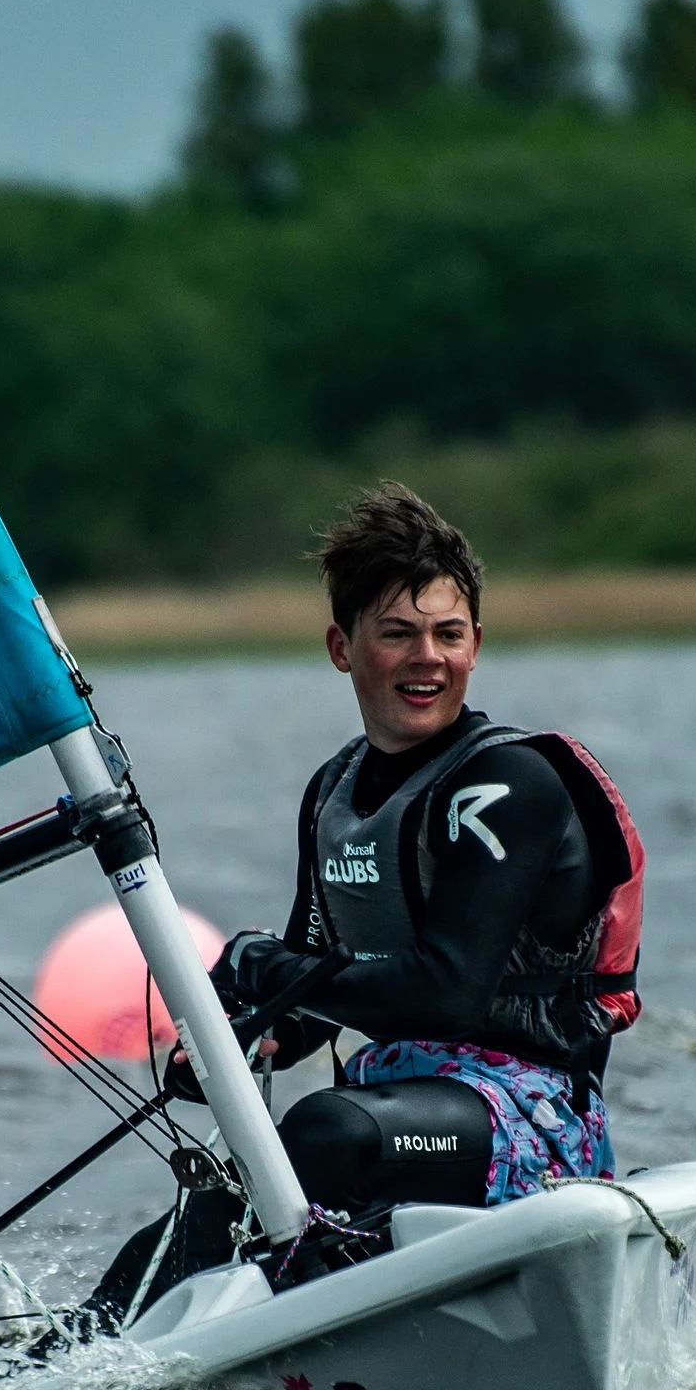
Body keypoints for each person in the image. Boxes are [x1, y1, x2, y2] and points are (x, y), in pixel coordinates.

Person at [209, 482, 646, 1226]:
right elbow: (315, 991)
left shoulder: (508, 784)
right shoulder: (333, 792)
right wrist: (245, 1034)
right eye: (398, 634)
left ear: (476, 643)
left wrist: (259, 964)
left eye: (449, 634)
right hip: (395, 1107)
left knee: (326, 1133)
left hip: (532, 1117)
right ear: (341, 647)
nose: (428, 658)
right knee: (215, 1202)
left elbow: (445, 994)